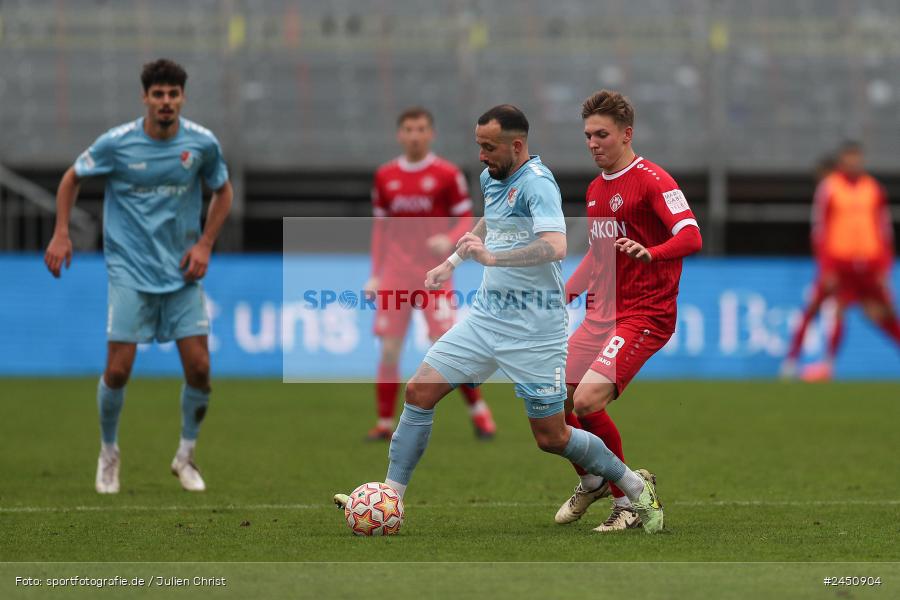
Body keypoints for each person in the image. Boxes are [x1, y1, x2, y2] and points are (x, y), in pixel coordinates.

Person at [336, 104, 665, 533]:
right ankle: (390, 497)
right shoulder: (493, 175)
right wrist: (452, 261)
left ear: (516, 144)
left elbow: (555, 245)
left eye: (489, 147)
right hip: (486, 319)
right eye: (478, 146)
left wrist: (494, 258)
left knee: (552, 437)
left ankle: (633, 486)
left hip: (534, 331)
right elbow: (491, 220)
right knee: (418, 391)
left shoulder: (537, 184)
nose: (481, 155)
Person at [43, 59, 232, 494]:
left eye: (173, 94)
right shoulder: (118, 144)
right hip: (128, 269)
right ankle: (109, 452)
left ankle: (185, 457)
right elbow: (72, 178)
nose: (166, 102)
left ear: (182, 97)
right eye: (158, 94)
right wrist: (60, 233)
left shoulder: (201, 144)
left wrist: (205, 243)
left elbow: (223, 190)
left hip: (181, 271)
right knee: (119, 368)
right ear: (145, 97)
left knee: (201, 368)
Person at [555, 90, 702, 531]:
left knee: (587, 400)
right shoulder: (597, 189)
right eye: (587, 136)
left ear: (627, 134)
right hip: (602, 313)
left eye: (602, 134)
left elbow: (691, 236)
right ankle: (593, 478)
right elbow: (599, 255)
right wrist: (566, 291)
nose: (593, 143)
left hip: (645, 314)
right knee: (554, 400)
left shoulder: (654, 180)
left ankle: (627, 502)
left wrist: (651, 253)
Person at [365, 107, 496, 441]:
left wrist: (449, 240)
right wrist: (375, 274)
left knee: (447, 346)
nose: (414, 135)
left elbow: (466, 220)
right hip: (395, 273)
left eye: (421, 129)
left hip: (435, 274)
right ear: (400, 134)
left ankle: (479, 413)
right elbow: (381, 229)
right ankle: (383, 424)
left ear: (431, 133)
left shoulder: (446, 174)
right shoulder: (385, 176)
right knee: (390, 348)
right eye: (408, 129)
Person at [782, 142, 899, 380]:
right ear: (842, 161)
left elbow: (884, 229)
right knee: (821, 308)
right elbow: (820, 229)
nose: (854, 162)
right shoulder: (830, 188)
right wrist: (826, 266)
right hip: (839, 264)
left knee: (883, 314)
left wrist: (885, 266)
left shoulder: (873, 189)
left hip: (870, 264)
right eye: (849, 158)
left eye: (857, 158)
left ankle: (826, 364)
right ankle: (796, 362)